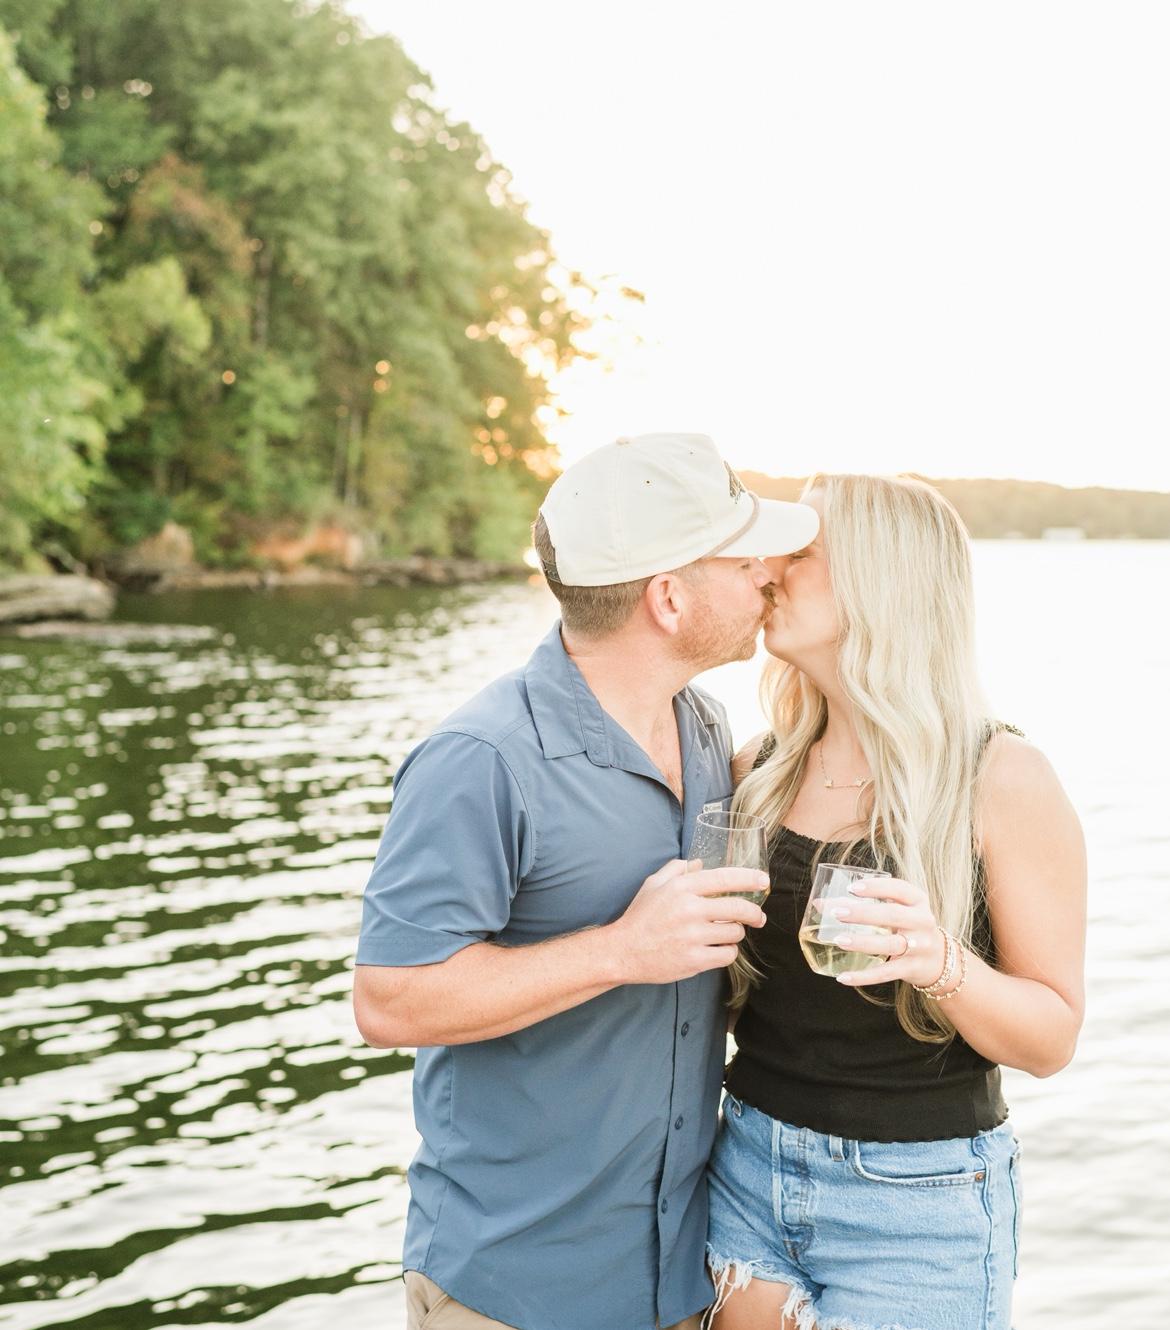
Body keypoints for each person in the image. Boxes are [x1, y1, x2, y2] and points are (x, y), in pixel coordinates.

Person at [353, 433, 820, 1330]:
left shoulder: (703, 726)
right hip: (513, 1292)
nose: (765, 575)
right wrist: (621, 951)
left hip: (681, 1282)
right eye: (742, 559)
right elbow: (390, 1000)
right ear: (669, 598)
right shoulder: (481, 759)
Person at [704, 474, 1087, 1330]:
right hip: (745, 1170)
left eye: (801, 554)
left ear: (880, 581)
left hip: (918, 1207)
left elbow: (1052, 1038)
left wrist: (940, 961)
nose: (766, 570)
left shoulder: (1002, 778)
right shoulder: (756, 769)